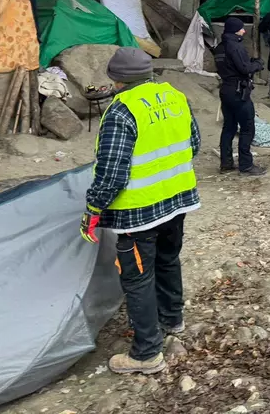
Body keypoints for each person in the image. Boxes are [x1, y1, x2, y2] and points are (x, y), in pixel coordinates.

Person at [79, 47, 201, 375]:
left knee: (137, 278)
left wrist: (92, 208)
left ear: (116, 80)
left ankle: (147, 353)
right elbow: (195, 144)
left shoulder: (121, 112)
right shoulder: (174, 96)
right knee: (168, 259)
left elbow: (112, 174)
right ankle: (172, 318)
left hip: (138, 213)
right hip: (178, 200)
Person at [215, 17, 266, 175]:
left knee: (228, 127)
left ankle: (226, 163)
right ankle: (246, 165)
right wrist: (258, 64)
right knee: (247, 128)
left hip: (226, 90)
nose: (244, 31)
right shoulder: (235, 46)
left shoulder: (219, 48)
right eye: (242, 28)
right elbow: (244, 68)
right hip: (239, 92)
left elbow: (232, 65)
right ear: (236, 30)